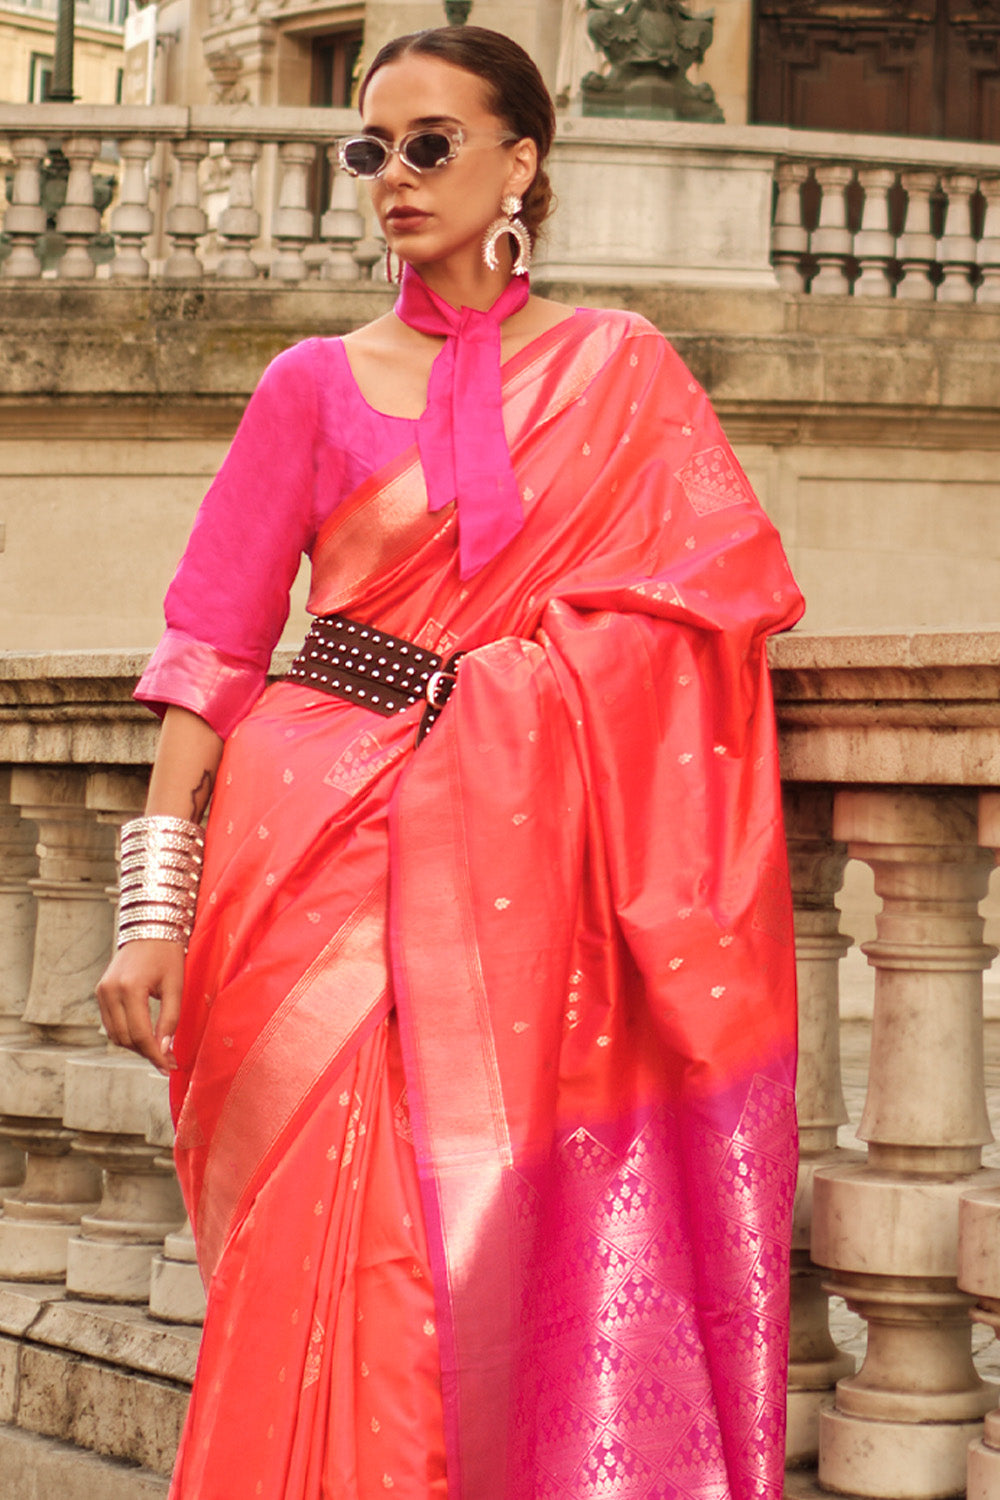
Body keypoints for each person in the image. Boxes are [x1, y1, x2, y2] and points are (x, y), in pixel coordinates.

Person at [97, 24, 804, 1500]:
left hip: (515, 863)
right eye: (371, 149)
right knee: (316, 1236)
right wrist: (153, 906)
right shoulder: (310, 382)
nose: (395, 178)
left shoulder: (623, 372)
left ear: (520, 162)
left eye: (431, 144)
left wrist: (517, 702)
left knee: (454, 1237)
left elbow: (713, 602)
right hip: (302, 847)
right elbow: (209, 646)